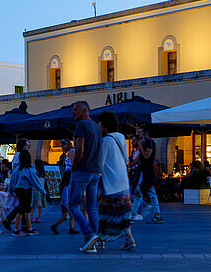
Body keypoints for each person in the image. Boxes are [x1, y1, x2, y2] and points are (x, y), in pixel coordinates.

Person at [95, 111, 136, 251]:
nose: (98, 124)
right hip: (123, 180)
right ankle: (129, 239)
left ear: (104, 124)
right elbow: (126, 159)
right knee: (122, 212)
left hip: (109, 182)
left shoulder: (105, 140)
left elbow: (100, 163)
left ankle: (101, 240)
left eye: (99, 122)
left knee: (105, 212)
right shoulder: (121, 137)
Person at [68, 101, 102, 253]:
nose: (73, 112)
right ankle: (94, 240)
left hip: (82, 170)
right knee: (92, 207)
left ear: (85, 110)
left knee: (73, 204)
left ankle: (89, 234)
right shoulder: (96, 126)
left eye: (75, 109)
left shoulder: (81, 125)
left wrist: (74, 168)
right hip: (95, 171)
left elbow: (79, 150)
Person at [3, 150, 45, 235]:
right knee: (24, 209)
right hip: (27, 190)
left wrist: (10, 189)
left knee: (24, 209)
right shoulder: (30, 168)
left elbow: (12, 179)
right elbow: (35, 180)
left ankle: (28, 228)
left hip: (18, 189)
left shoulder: (18, 168)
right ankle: (18, 229)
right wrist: (42, 190)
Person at [134, 126, 162, 224]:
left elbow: (146, 156)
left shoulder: (149, 142)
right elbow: (140, 158)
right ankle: (154, 214)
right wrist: (129, 166)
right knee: (143, 192)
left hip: (148, 172)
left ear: (146, 134)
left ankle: (139, 212)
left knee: (148, 192)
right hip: (144, 171)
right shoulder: (145, 143)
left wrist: (140, 145)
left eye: (140, 132)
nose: (138, 134)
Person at [49, 139, 76, 235]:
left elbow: (74, 164)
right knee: (67, 213)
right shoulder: (69, 153)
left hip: (68, 185)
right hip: (66, 193)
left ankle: (71, 228)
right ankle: (58, 226)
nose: (61, 147)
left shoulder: (71, 152)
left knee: (70, 211)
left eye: (63, 145)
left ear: (67, 145)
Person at [31, 158, 48, 223]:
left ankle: (32, 217)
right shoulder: (43, 172)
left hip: (34, 189)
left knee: (32, 204)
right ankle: (39, 217)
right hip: (41, 190)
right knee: (40, 204)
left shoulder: (34, 172)